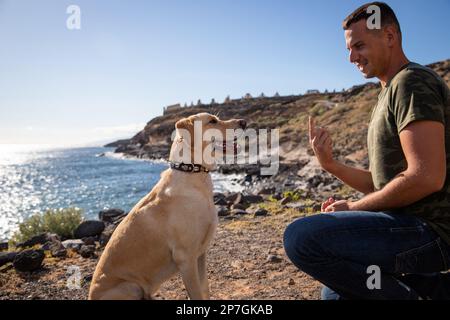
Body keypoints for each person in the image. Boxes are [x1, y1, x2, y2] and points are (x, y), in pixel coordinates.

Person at [283, 2, 450, 299]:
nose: (351, 57)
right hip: (405, 227)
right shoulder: (388, 92)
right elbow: (383, 184)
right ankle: (433, 289)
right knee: (334, 295)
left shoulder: (411, 82)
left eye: (359, 45)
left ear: (389, 36)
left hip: (432, 233)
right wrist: (330, 165)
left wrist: (354, 208)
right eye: (348, 49)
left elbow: (427, 177)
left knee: (301, 238)